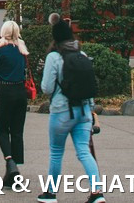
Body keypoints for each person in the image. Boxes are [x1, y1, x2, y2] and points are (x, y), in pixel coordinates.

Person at [37, 19, 103, 203]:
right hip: (83, 111)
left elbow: (47, 88)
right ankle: (97, 192)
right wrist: (89, 109)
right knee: (84, 151)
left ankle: (50, 193)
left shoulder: (53, 57)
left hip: (61, 111)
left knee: (57, 152)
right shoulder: (81, 53)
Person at [0, 20, 30, 191]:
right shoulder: (22, 50)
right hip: (21, 91)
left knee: (2, 129)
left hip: (6, 91)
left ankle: (9, 160)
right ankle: (13, 170)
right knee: (17, 130)